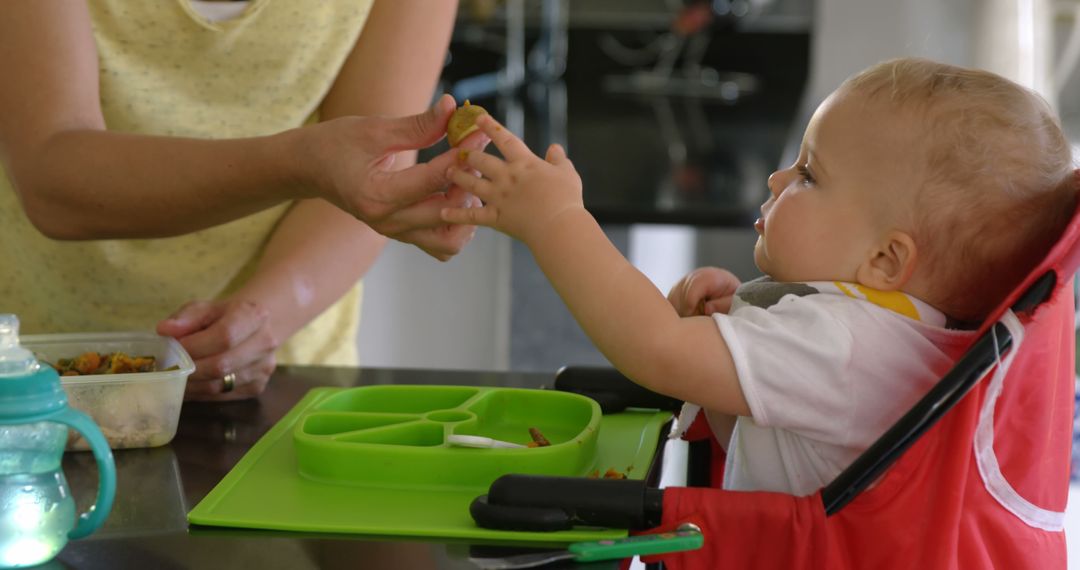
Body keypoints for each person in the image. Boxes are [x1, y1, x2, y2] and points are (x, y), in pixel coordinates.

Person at [441, 57, 1078, 496]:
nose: (777, 181)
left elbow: (651, 351)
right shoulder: (900, 337)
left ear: (885, 260)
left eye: (809, 174)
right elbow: (772, 446)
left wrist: (555, 222)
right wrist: (719, 355)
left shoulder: (841, 342)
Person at [0, 1, 487, 401]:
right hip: (32, 372)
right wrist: (299, 162)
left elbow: (373, 172)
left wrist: (258, 322)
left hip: (280, 377)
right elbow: (53, 176)